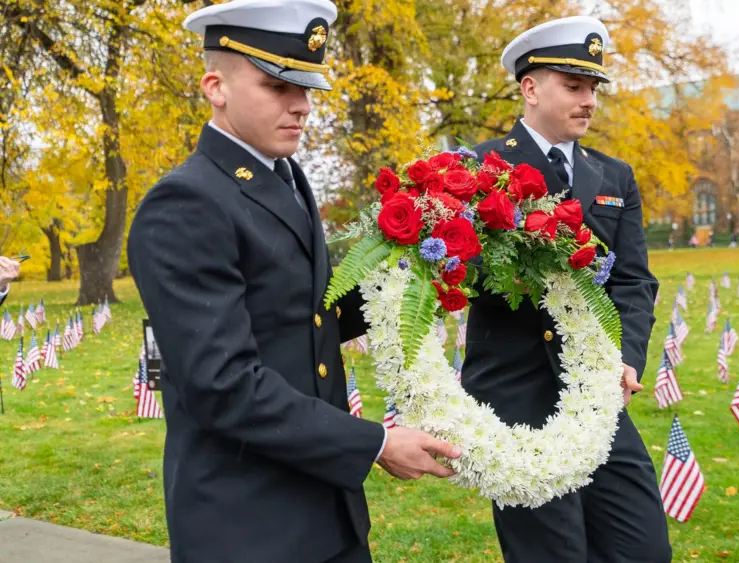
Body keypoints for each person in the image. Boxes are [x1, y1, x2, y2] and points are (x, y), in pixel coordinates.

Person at [126, 1, 460, 561]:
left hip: (324, 509)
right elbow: (223, 386)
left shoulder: (282, 174)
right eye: (278, 86)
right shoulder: (187, 202)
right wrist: (375, 443)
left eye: (306, 88)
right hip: (249, 524)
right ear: (216, 86)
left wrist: (424, 269)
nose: (302, 105)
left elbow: (307, 308)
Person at [464, 16, 671, 562]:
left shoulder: (614, 176)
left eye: (593, 89)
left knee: (641, 547)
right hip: (516, 394)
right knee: (550, 554)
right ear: (530, 88)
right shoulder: (475, 167)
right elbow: (458, 275)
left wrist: (627, 360)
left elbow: (632, 279)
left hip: (595, 394)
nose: (589, 101)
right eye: (574, 86)